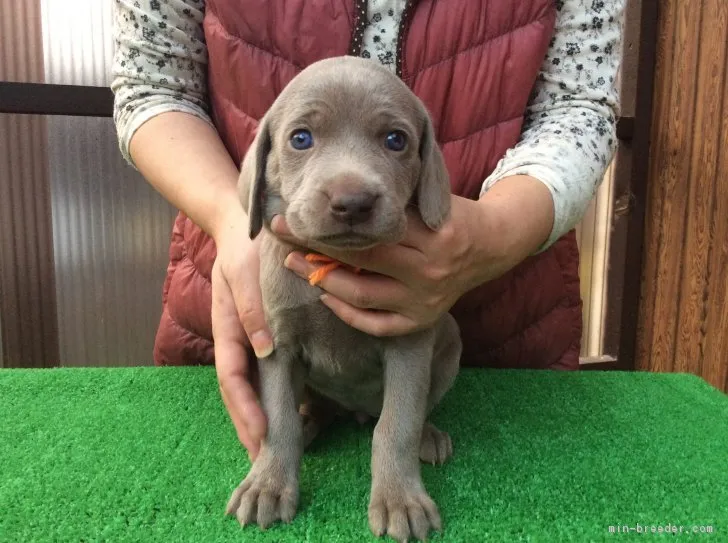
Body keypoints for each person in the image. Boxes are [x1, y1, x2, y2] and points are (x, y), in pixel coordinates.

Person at [111, 0, 625, 459]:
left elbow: (581, 106)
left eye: (395, 141)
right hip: (249, 266)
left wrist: (496, 229)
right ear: (264, 153)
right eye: (303, 137)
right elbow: (151, 84)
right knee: (278, 347)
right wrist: (231, 218)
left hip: (504, 329)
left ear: (426, 158)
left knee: (419, 345)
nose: (350, 190)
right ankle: (314, 415)